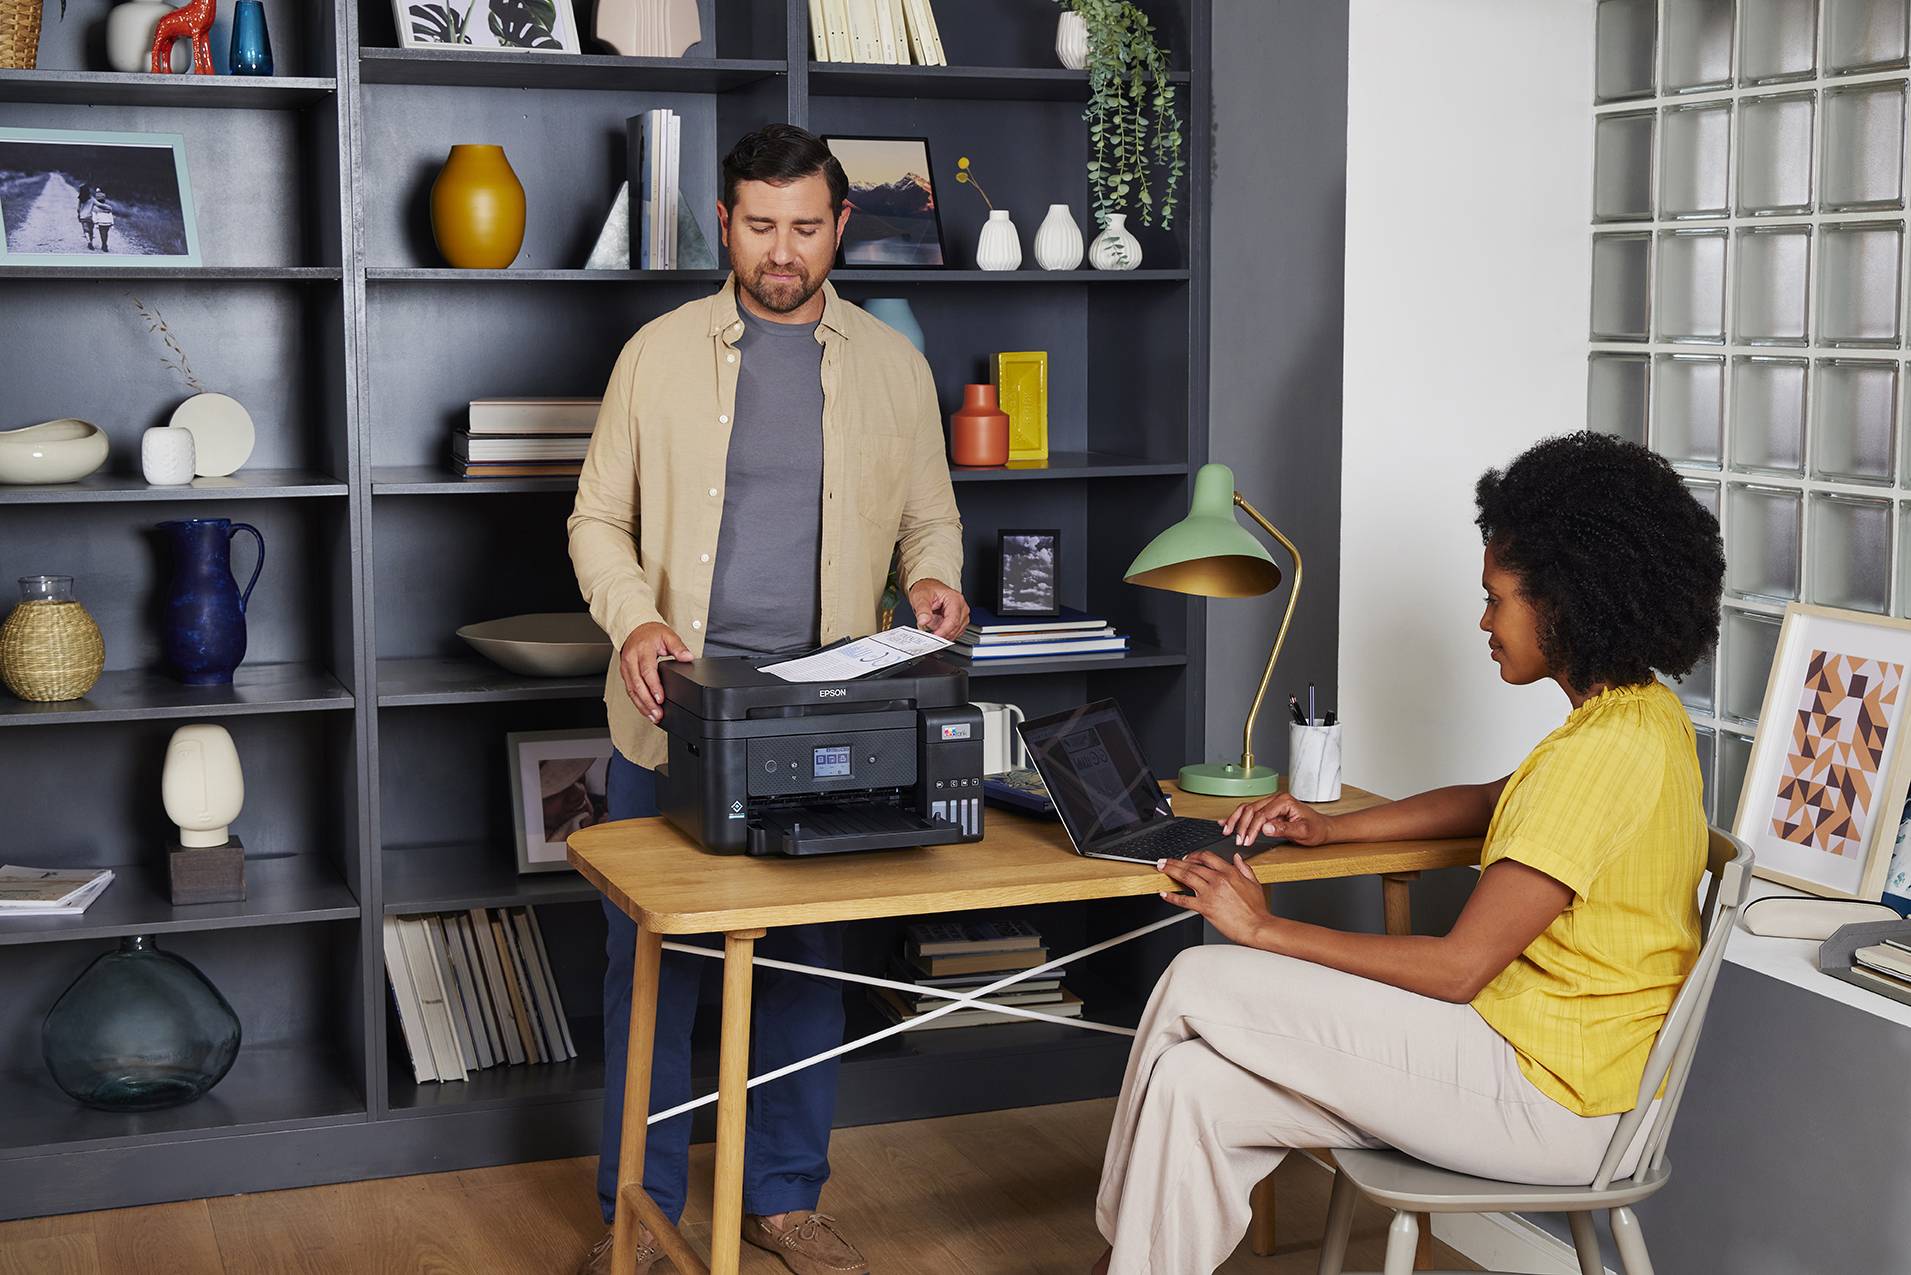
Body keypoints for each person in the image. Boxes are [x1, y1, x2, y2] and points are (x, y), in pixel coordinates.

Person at [1089, 432, 1726, 1275]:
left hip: (1550, 1097)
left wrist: (1260, 928)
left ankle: (1106, 1259)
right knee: (1191, 1087)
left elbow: (1460, 967)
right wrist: (1330, 826)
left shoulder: (1598, 757)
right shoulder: (1637, 718)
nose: (1484, 621)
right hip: (1543, 1065)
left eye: (1497, 599)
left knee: (1197, 977)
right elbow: (1496, 799)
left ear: (1564, 605)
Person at [567, 123, 968, 1275]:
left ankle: (783, 1200)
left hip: (822, 722)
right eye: (757, 226)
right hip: (671, 713)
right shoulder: (654, 354)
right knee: (652, 973)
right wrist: (635, 617)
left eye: (804, 227)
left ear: (841, 224)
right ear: (727, 223)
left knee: (803, 972)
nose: (781, 252)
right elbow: (596, 517)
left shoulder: (894, 367)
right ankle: (635, 1214)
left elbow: (928, 519)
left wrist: (933, 578)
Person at [76, 185, 96, 250]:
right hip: (90, 216)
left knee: (85, 230)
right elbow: (97, 205)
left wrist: (79, 214)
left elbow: (78, 208)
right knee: (91, 230)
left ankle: (89, 242)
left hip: (82, 216)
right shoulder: (92, 198)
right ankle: (91, 242)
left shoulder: (81, 199)